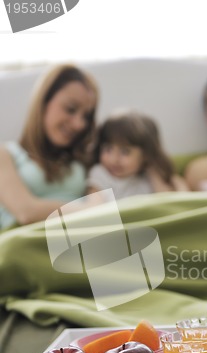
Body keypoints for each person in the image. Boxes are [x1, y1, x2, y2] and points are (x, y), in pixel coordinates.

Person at [0, 64, 99, 230]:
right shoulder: (6, 154)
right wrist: (87, 210)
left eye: (86, 116)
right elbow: (25, 212)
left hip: (77, 244)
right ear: (44, 101)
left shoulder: (84, 160)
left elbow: (102, 206)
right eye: (70, 109)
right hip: (22, 247)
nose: (79, 124)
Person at [87, 111, 188, 200]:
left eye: (125, 151)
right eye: (108, 149)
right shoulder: (100, 174)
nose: (114, 159)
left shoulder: (149, 177)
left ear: (146, 155)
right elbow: (94, 207)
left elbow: (171, 202)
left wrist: (154, 170)